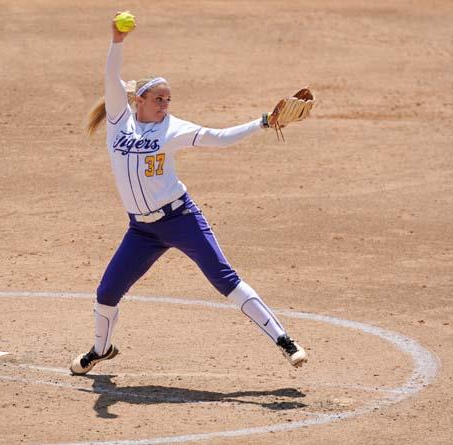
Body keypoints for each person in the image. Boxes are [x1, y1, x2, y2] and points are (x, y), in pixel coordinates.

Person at [70, 13, 307, 375]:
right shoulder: (119, 121)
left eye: (168, 99)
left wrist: (262, 121)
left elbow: (219, 137)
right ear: (140, 100)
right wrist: (117, 40)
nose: (165, 105)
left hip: (180, 219)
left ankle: (285, 341)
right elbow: (110, 76)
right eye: (159, 99)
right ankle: (101, 349)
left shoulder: (173, 128)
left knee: (224, 279)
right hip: (141, 231)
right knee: (106, 293)